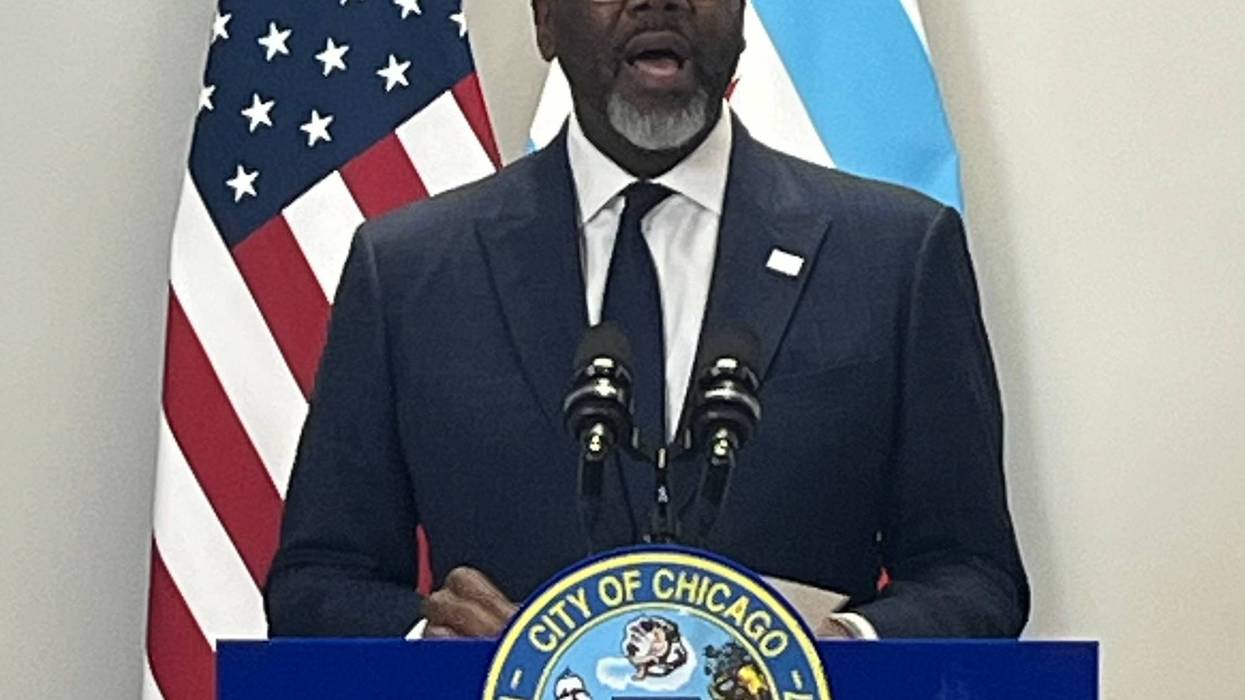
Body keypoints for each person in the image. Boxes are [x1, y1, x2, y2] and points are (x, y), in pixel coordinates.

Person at [265, 0, 1029, 640]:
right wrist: (436, 640)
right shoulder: (409, 270)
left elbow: (973, 574)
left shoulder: (894, 255)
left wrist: (838, 650)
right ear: (543, 20)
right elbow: (317, 581)